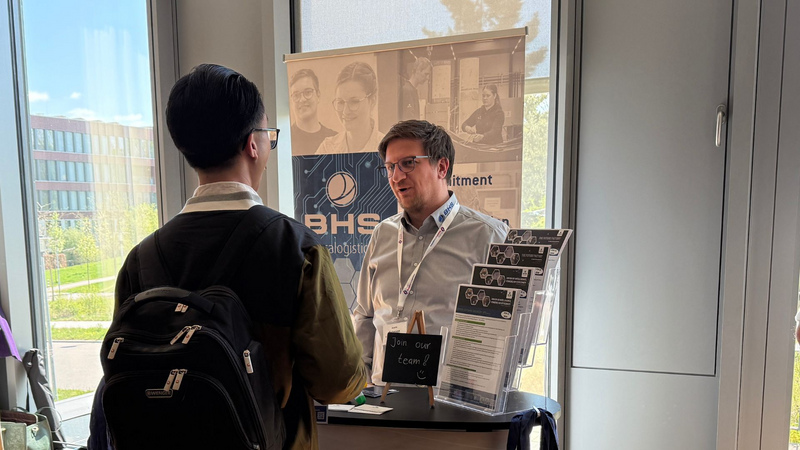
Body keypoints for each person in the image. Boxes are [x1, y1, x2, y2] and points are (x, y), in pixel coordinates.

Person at [112, 64, 366, 449]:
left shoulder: (140, 260)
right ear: (253, 144)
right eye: (268, 135)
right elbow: (338, 381)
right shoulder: (294, 246)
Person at [353, 120, 509, 385]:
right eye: (390, 167)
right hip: (383, 399)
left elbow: (504, 330)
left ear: (442, 167)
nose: (396, 177)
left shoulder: (490, 237)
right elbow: (365, 316)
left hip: (451, 402)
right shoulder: (383, 234)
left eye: (408, 163)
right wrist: (363, 384)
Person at [316, 61, 385, 154]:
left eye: (354, 102)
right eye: (340, 102)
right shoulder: (327, 149)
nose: (345, 111)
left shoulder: (388, 148)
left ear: (372, 101)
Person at [289, 68, 337, 155]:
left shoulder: (334, 139)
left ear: (318, 95)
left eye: (308, 92)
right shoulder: (285, 139)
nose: (302, 99)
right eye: (296, 95)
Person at [400, 57, 432, 121]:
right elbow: (409, 120)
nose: (427, 78)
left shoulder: (413, 90)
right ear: (418, 70)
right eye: (426, 74)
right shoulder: (407, 90)